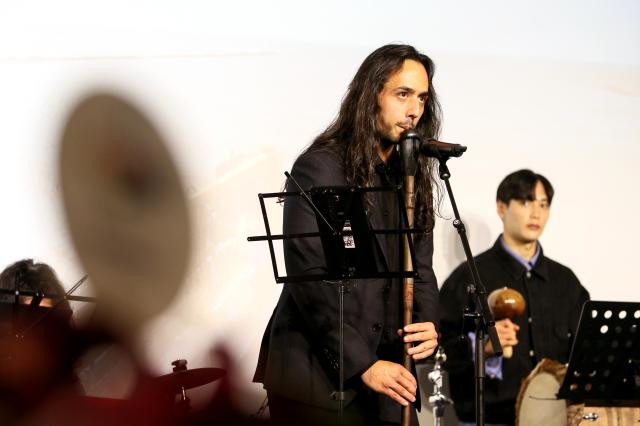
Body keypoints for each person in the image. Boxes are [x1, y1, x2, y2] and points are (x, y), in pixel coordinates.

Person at [254, 44, 442, 425]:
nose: (414, 110)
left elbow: (420, 269)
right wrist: (365, 365)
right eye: (402, 94)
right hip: (316, 381)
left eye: (422, 98)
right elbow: (311, 281)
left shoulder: (413, 176)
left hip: (389, 383)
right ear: (370, 95)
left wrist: (430, 324)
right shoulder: (320, 168)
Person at [439, 169, 590, 425]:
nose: (536, 213)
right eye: (525, 202)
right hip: (489, 419)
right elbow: (440, 348)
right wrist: (482, 347)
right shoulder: (469, 278)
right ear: (501, 207)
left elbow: (585, 352)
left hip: (556, 418)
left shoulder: (566, 282)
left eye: (543, 205)